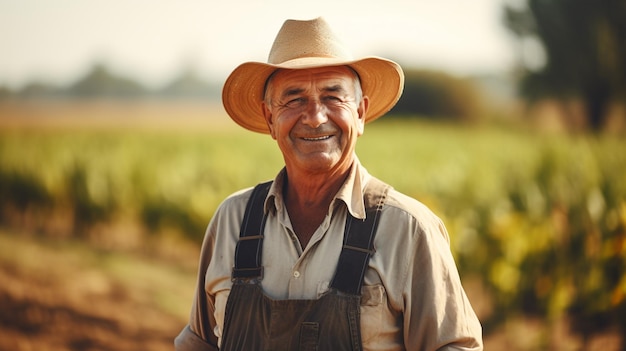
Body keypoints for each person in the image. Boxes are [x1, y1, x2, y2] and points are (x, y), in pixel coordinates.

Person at [175, 17, 483, 351]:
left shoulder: (408, 229)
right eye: (294, 99)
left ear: (361, 113)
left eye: (332, 97)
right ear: (269, 119)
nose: (315, 116)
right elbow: (199, 342)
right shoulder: (231, 221)